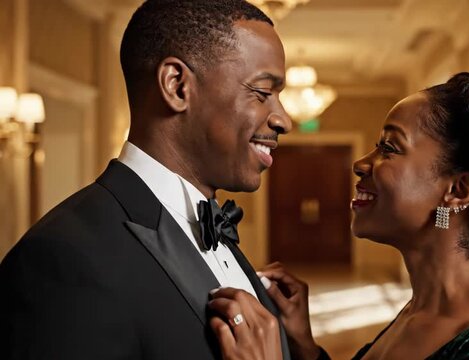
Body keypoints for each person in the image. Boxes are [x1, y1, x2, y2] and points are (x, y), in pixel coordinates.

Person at [0, 1, 292, 359]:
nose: (283, 120)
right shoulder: (63, 260)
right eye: (263, 93)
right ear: (177, 86)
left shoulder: (210, 224)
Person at [217, 71, 469, 359]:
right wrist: (305, 348)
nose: (360, 164)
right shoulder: (419, 309)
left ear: (457, 191)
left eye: (389, 147)